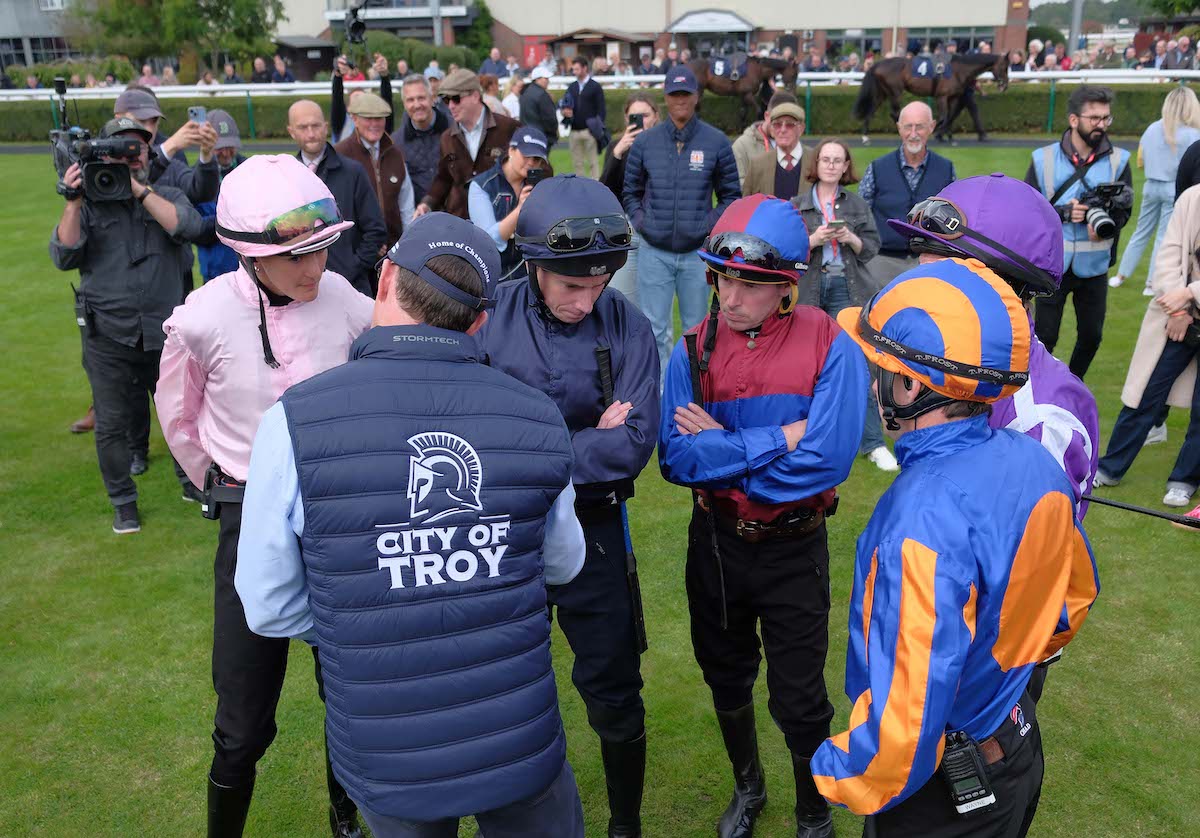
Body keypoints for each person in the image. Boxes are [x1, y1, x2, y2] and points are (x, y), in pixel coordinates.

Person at [234, 212, 587, 838]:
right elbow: (561, 562)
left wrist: (361, 611)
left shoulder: (294, 421)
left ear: (387, 277)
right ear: (481, 318)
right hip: (515, 733)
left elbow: (267, 605)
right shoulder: (537, 416)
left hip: (385, 745)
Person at [813, 257, 1099, 834]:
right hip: (1016, 749)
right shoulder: (1034, 459)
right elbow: (1072, 599)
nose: (874, 383)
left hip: (943, 796)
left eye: (880, 368)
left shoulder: (918, 516)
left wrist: (836, 770)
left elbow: (907, 726)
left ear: (912, 383)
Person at [153, 154, 372, 838]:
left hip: (341, 522)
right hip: (250, 524)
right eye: (297, 257)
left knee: (349, 692)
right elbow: (179, 418)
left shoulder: (344, 298)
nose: (316, 269)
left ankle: (348, 819)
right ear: (249, 255)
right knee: (244, 718)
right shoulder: (202, 317)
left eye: (322, 250)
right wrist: (220, 482)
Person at [659, 194, 867, 838]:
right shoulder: (690, 349)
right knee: (724, 671)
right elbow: (674, 458)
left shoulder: (833, 345)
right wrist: (780, 438)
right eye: (723, 278)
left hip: (792, 548)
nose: (730, 296)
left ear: (786, 288)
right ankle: (749, 787)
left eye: (750, 284)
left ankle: (811, 810)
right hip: (716, 543)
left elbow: (827, 462)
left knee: (801, 696)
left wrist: (718, 447)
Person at [478, 174, 660, 838]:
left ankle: (626, 825)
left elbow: (633, 446)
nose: (587, 300)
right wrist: (584, 441)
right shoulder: (486, 316)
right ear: (533, 265)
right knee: (498, 685)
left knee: (615, 686)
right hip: (504, 533)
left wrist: (527, 450)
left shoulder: (630, 326)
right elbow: (473, 445)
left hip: (599, 528)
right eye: (571, 286)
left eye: (600, 283)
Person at [49, 117, 205, 533]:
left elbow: (187, 227)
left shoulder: (165, 194)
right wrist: (72, 200)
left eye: (135, 151)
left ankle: (191, 480)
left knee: (181, 414)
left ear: (147, 155)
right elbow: (63, 255)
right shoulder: (90, 202)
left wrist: (140, 190)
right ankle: (123, 501)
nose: (126, 159)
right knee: (113, 425)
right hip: (108, 335)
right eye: (118, 151)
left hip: (165, 332)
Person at [623, 65, 740, 384]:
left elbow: (730, 195)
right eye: (674, 94)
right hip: (654, 251)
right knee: (655, 329)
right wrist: (643, 221)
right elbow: (630, 191)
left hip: (695, 254)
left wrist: (706, 226)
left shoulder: (715, 141)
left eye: (685, 94)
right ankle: (659, 396)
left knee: (696, 328)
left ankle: (693, 391)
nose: (680, 101)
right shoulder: (646, 142)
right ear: (665, 97)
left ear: (696, 97)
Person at [1095, 183, 1200, 507]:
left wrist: (1190, 293)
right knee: (1145, 394)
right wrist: (1180, 308)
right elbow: (1167, 255)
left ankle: (1184, 479)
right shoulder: (1192, 198)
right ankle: (1109, 468)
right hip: (1179, 318)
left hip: (1187, 303)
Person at [792, 138, 892, 472]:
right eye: (826, 159)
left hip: (848, 290)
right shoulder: (798, 204)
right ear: (816, 165)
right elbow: (788, 251)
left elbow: (872, 248)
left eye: (838, 160)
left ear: (846, 166)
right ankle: (804, 434)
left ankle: (874, 444)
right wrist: (812, 241)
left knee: (857, 364)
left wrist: (850, 238)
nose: (832, 165)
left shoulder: (857, 204)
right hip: (810, 289)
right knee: (806, 364)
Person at [1026, 86, 1133, 380]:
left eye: (1106, 118)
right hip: (1051, 266)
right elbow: (1028, 210)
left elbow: (1125, 207)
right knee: (1045, 336)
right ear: (1074, 120)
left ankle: (1072, 383)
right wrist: (1062, 213)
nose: (1101, 125)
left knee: (1092, 336)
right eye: (1094, 118)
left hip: (1095, 265)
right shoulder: (1042, 159)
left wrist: (1108, 224)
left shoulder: (1119, 160)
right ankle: (1041, 387)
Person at [287, 99, 388, 296]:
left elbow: (375, 230)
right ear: (291, 131)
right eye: (303, 127)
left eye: (315, 125)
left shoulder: (353, 172)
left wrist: (352, 266)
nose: (310, 133)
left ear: (325, 127)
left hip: (352, 288)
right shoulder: (286, 176)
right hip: (301, 292)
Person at [858, 101, 956, 290]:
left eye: (919, 127)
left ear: (932, 127)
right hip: (882, 263)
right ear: (898, 129)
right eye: (907, 127)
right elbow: (862, 213)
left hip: (929, 263)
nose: (913, 134)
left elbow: (954, 217)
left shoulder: (946, 169)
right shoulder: (877, 168)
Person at [1110, 87, 1200, 292]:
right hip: (1173, 188)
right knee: (1164, 236)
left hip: (1151, 185)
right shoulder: (1193, 135)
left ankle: (1120, 275)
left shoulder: (1152, 129)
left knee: (1141, 232)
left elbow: (1141, 160)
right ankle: (1152, 282)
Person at [416, 69, 522, 220]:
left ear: (475, 96)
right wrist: (427, 204)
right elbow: (444, 178)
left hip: (502, 222)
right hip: (461, 223)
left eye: (456, 99)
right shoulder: (447, 138)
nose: (451, 105)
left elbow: (536, 166)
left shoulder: (509, 129)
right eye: (446, 100)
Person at [335, 91, 415, 259]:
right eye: (368, 118)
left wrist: (409, 242)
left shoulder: (395, 153)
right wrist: (370, 245)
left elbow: (406, 204)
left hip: (395, 250)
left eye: (379, 118)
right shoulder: (340, 155)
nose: (374, 124)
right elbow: (337, 209)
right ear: (354, 119)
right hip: (356, 254)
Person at [467, 127, 549, 282]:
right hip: (493, 275)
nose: (531, 162)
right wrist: (520, 210)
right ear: (511, 150)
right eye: (526, 155)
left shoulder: (540, 184)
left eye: (537, 159)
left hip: (531, 273)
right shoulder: (482, 185)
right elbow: (489, 240)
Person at [600, 93, 659, 308]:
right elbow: (604, 189)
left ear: (655, 116)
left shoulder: (665, 146)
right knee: (623, 299)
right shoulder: (618, 146)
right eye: (634, 116)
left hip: (656, 229)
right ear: (626, 119)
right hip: (625, 229)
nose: (640, 120)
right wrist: (617, 153)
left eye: (645, 114)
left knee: (654, 304)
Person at [195, 110, 248, 284]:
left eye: (230, 146)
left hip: (251, 271)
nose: (226, 153)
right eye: (219, 148)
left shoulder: (252, 170)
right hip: (215, 275)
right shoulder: (194, 179)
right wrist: (233, 217)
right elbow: (197, 231)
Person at [391, 73, 451, 204]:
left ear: (432, 98)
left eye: (421, 98)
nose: (417, 105)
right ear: (404, 104)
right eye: (410, 100)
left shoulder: (454, 131)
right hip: (420, 217)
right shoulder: (396, 143)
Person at [741, 102, 814, 200]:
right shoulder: (757, 165)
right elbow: (747, 206)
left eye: (789, 125)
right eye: (777, 124)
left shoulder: (816, 161)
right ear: (771, 129)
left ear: (801, 129)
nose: (783, 130)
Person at [731, 91, 799, 190]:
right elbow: (736, 188)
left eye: (789, 123)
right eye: (777, 121)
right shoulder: (742, 146)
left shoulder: (795, 146)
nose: (783, 129)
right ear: (767, 116)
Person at [332, 53, 394, 144]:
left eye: (362, 97)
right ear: (348, 108)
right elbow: (337, 101)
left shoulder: (376, 126)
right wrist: (338, 76)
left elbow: (387, 106)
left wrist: (384, 76)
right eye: (356, 98)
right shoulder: (341, 124)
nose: (360, 101)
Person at [563, 56, 606, 179]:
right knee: (577, 164)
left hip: (589, 131)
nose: (574, 72)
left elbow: (601, 110)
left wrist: (597, 128)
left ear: (585, 68)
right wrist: (565, 111)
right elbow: (565, 104)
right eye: (573, 69)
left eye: (577, 69)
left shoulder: (595, 86)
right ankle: (580, 188)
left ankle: (596, 187)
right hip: (574, 131)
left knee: (593, 163)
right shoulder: (572, 87)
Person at [521, 66, 559, 140]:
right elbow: (549, 118)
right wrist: (553, 131)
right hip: (541, 136)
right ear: (537, 79)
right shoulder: (542, 95)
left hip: (527, 134)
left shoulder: (526, 92)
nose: (548, 81)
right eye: (546, 78)